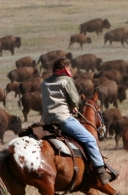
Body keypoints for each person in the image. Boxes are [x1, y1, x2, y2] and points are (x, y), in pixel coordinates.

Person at [41, 57, 111, 185]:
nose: (70, 70)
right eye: (69, 68)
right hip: (63, 119)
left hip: (46, 121)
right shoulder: (66, 80)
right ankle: (100, 170)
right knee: (89, 139)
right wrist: (73, 106)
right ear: (65, 68)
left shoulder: (45, 82)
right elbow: (75, 100)